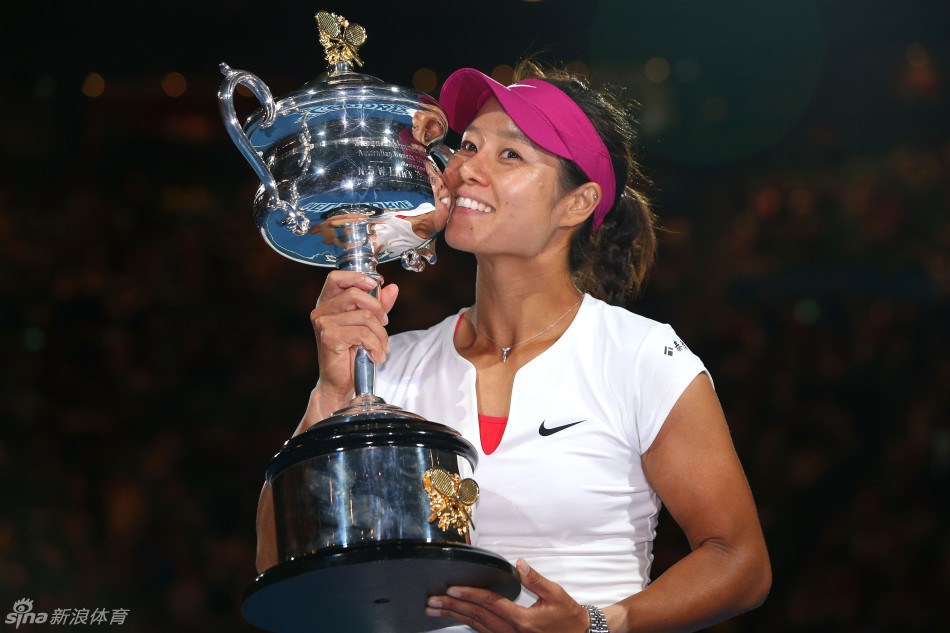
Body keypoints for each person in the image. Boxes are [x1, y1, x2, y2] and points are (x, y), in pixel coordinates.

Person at [256, 59, 771, 633]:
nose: (467, 169)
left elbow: (740, 561)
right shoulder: (386, 364)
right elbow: (280, 563)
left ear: (577, 203)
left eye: (510, 155)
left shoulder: (641, 358)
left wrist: (597, 625)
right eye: (469, 146)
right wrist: (332, 394)